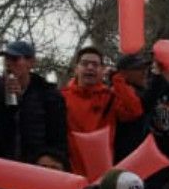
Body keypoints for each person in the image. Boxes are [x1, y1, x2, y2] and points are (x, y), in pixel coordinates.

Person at [62, 46, 147, 177]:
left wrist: (117, 80)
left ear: (102, 70)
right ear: (76, 69)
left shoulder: (110, 97)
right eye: (85, 64)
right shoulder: (62, 97)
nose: (90, 68)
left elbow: (134, 111)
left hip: (102, 171)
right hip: (70, 169)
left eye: (95, 65)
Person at [0, 39, 69, 166]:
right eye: (6, 59)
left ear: (31, 63)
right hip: (4, 168)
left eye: (15, 59)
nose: (8, 64)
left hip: (37, 167)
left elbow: (58, 137)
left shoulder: (49, 95)